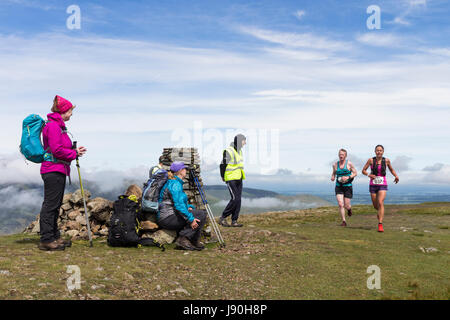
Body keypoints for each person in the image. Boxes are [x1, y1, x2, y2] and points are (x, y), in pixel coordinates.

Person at [38, 95, 87, 251]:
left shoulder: (58, 126)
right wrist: (74, 154)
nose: (71, 114)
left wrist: (74, 151)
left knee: (55, 205)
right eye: (70, 111)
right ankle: (46, 239)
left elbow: (60, 148)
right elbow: (56, 150)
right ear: (64, 111)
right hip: (53, 170)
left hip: (58, 169)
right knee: (50, 205)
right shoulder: (53, 126)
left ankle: (54, 237)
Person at [157, 161, 207, 250]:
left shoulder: (174, 182)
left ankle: (193, 241)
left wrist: (188, 208)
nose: (186, 171)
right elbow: (179, 206)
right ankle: (183, 239)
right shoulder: (175, 184)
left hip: (167, 216)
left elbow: (176, 203)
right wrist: (191, 219)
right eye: (184, 169)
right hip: (167, 218)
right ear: (180, 171)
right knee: (201, 215)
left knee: (200, 213)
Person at [362, 145, 399, 232]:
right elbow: (363, 170)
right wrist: (369, 174)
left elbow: (391, 169)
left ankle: (380, 224)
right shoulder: (371, 160)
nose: (379, 152)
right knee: (376, 206)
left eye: (380, 150)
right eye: (377, 150)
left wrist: (396, 176)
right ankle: (379, 213)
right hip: (373, 184)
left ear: (383, 152)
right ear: (375, 151)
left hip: (383, 184)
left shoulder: (386, 161)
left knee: (380, 202)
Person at [219, 134, 246, 227]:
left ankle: (234, 221)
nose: (245, 143)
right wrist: (223, 176)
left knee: (238, 200)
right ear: (239, 141)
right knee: (235, 199)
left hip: (239, 178)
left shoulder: (239, 151)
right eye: (244, 141)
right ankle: (223, 217)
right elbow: (222, 165)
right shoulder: (229, 151)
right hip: (231, 178)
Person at [331, 149, 357, 227]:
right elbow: (334, 173)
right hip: (339, 186)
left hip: (347, 186)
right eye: (340, 154)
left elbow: (355, 173)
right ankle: (344, 221)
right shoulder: (335, 165)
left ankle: (349, 209)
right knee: (340, 204)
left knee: (346, 205)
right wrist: (332, 177)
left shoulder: (349, 163)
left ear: (345, 155)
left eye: (342, 154)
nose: (341, 155)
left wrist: (348, 177)